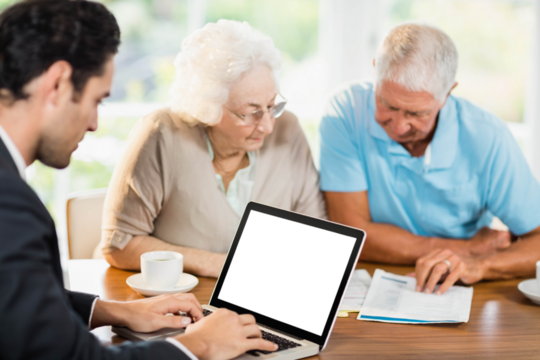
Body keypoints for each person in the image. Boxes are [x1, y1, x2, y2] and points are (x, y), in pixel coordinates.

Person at [0, 1, 278, 359]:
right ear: (57, 83)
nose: (94, 123)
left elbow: (14, 300)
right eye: (96, 100)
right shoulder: (10, 206)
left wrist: (113, 310)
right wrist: (196, 344)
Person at [319, 23, 540, 294]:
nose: (398, 127)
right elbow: (351, 233)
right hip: (369, 282)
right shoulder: (345, 110)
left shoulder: (488, 136)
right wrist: (465, 247)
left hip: (458, 285)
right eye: (387, 105)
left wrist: (480, 264)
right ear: (375, 70)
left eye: (417, 113)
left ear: (448, 93)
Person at [96, 19, 325, 278]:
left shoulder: (288, 130)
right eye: (251, 113)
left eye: (272, 106)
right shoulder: (161, 134)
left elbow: (318, 235)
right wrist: (215, 263)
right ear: (208, 107)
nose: (268, 126)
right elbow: (119, 245)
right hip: (177, 303)